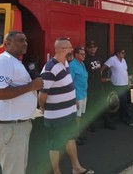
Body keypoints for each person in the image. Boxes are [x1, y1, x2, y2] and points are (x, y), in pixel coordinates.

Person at [0, 31, 43, 174]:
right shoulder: (4, 60)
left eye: (25, 40)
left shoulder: (14, 61)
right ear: (7, 44)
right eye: (20, 40)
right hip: (11, 128)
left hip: (16, 127)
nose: (25, 43)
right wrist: (32, 86)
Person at [39, 37, 94, 174]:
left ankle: (76, 168)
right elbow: (42, 95)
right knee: (56, 145)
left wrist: (73, 100)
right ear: (63, 49)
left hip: (69, 113)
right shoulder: (50, 68)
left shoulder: (66, 64)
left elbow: (68, 85)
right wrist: (43, 107)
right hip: (56, 115)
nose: (71, 49)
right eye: (70, 47)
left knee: (71, 139)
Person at [84, 40, 116, 132]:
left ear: (96, 48)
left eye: (94, 47)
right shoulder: (85, 60)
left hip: (99, 86)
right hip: (90, 86)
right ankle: (91, 125)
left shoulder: (98, 57)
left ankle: (108, 122)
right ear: (87, 49)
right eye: (90, 47)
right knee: (90, 107)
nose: (92, 49)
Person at [101, 48, 132, 126]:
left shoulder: (124, 60)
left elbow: (125, 71)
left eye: (124, 53)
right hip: (117, 84)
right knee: (124, 102)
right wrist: (101, 76)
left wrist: (128, 82)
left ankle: (121, 117)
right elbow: (103, 68)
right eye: (122, 52)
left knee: (123, 101)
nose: (124, 54)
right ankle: (127, 119)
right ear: (117, 53)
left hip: (125, 83)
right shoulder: (112, 59)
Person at [69, 46, 89, 145]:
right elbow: (70, 83)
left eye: (84, 54)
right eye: (81, 54)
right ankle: (74, 137)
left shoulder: (82, 64)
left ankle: (78, 134)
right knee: (76, 117)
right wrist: (74, 98)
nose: (84, 55)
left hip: (83, 94)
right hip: (77, 96)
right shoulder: (72, 65)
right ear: (76, 55)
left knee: (80, 116)